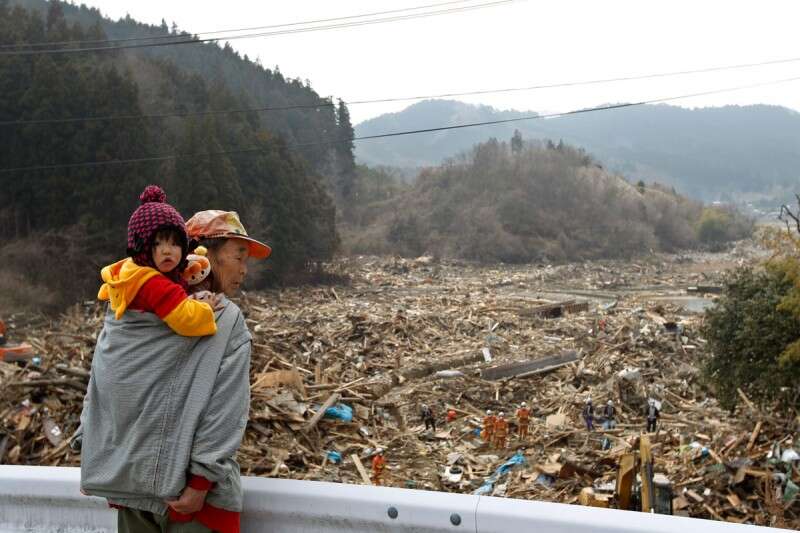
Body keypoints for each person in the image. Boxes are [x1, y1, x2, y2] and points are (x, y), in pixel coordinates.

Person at [80, 207, 271, 533]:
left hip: (132, 486)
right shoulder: (224, 319)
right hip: (193, 502)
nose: (245, 270)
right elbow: (226, 408)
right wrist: (200, 482)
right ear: (203, 256)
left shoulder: (125, 311)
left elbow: (102, 384)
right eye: (238, 257)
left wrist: (93, 453)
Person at [97, 185, 218, 337]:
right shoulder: (154, 284)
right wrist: (206, 308)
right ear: (141, 248)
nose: (167, 250)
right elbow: (186, 320)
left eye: (175, 243)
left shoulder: (132, 270)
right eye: (157, 243)